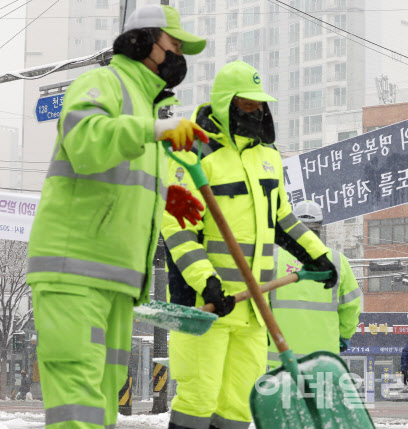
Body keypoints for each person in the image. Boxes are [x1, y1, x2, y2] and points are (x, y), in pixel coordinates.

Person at [26, 5, 207, 428]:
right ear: (144, 41)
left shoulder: (144, 109)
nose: (179, 56)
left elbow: (124, 185)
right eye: (173, 45)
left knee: (101, 409)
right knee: (78, 404)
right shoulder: (101, 83)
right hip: (74, 275)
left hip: (117, 283)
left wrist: (170, 197)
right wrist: (155, 131)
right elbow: (88, 144)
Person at [161, 60, 337, 429]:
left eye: (259, 104)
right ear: (226, 103)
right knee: (198, 399)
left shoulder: (268, 157)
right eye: (246, 104)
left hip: (255, 307)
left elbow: (282, 219)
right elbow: (177, 229)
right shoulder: (193, 152)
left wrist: (317, 256)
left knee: (239, 407)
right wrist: (207, 283)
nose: (256, 111)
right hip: (205, 306)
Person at [267, 200, 362, 369]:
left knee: (283, 396)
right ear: (320, 228)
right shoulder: (337, 261)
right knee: (319, 396)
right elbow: (351, 306)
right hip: (324, 361)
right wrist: (345, 336)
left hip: (281, 360)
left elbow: (259, 306)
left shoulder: (273, 259)